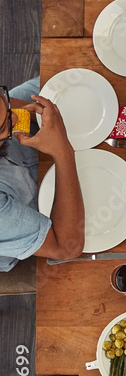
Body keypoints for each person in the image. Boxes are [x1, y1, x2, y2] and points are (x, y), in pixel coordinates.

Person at [0, 78, 85, 270]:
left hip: (35, 154)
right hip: (38, 222)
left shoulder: (9, 113)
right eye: (4, 125)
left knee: (68, 81)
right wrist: (63, 151)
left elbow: (17, 109)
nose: (15, 117)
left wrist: (41, 113)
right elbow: (67, 248)